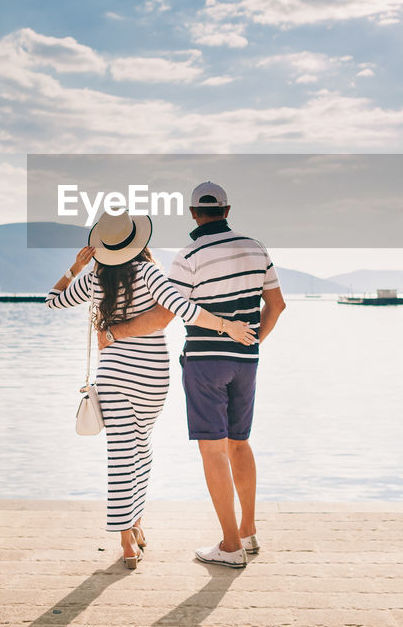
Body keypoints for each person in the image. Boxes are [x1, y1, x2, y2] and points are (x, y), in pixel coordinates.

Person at [45, 210, 255, 569]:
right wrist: (227, 327)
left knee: (120, 454)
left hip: (111, 374)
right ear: (137, 241)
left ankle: (128, 538)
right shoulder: (149, 272)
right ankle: (134, 523)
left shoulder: (94, 278)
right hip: (150, 378)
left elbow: (52, 300)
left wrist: (74, 267)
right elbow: (182, 308)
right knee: (141, 448)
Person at [108, 181, 285, 569]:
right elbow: (277, 304)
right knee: (240, 443)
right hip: (246, 360)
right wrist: (254, 341)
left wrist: (116, 331)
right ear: (227, 209)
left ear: (192, 213)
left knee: (213, 450)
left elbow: (165, 313)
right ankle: (249, 530)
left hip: (206, 361)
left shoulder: (188, 254)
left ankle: (230, 544)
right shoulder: (256, 247)